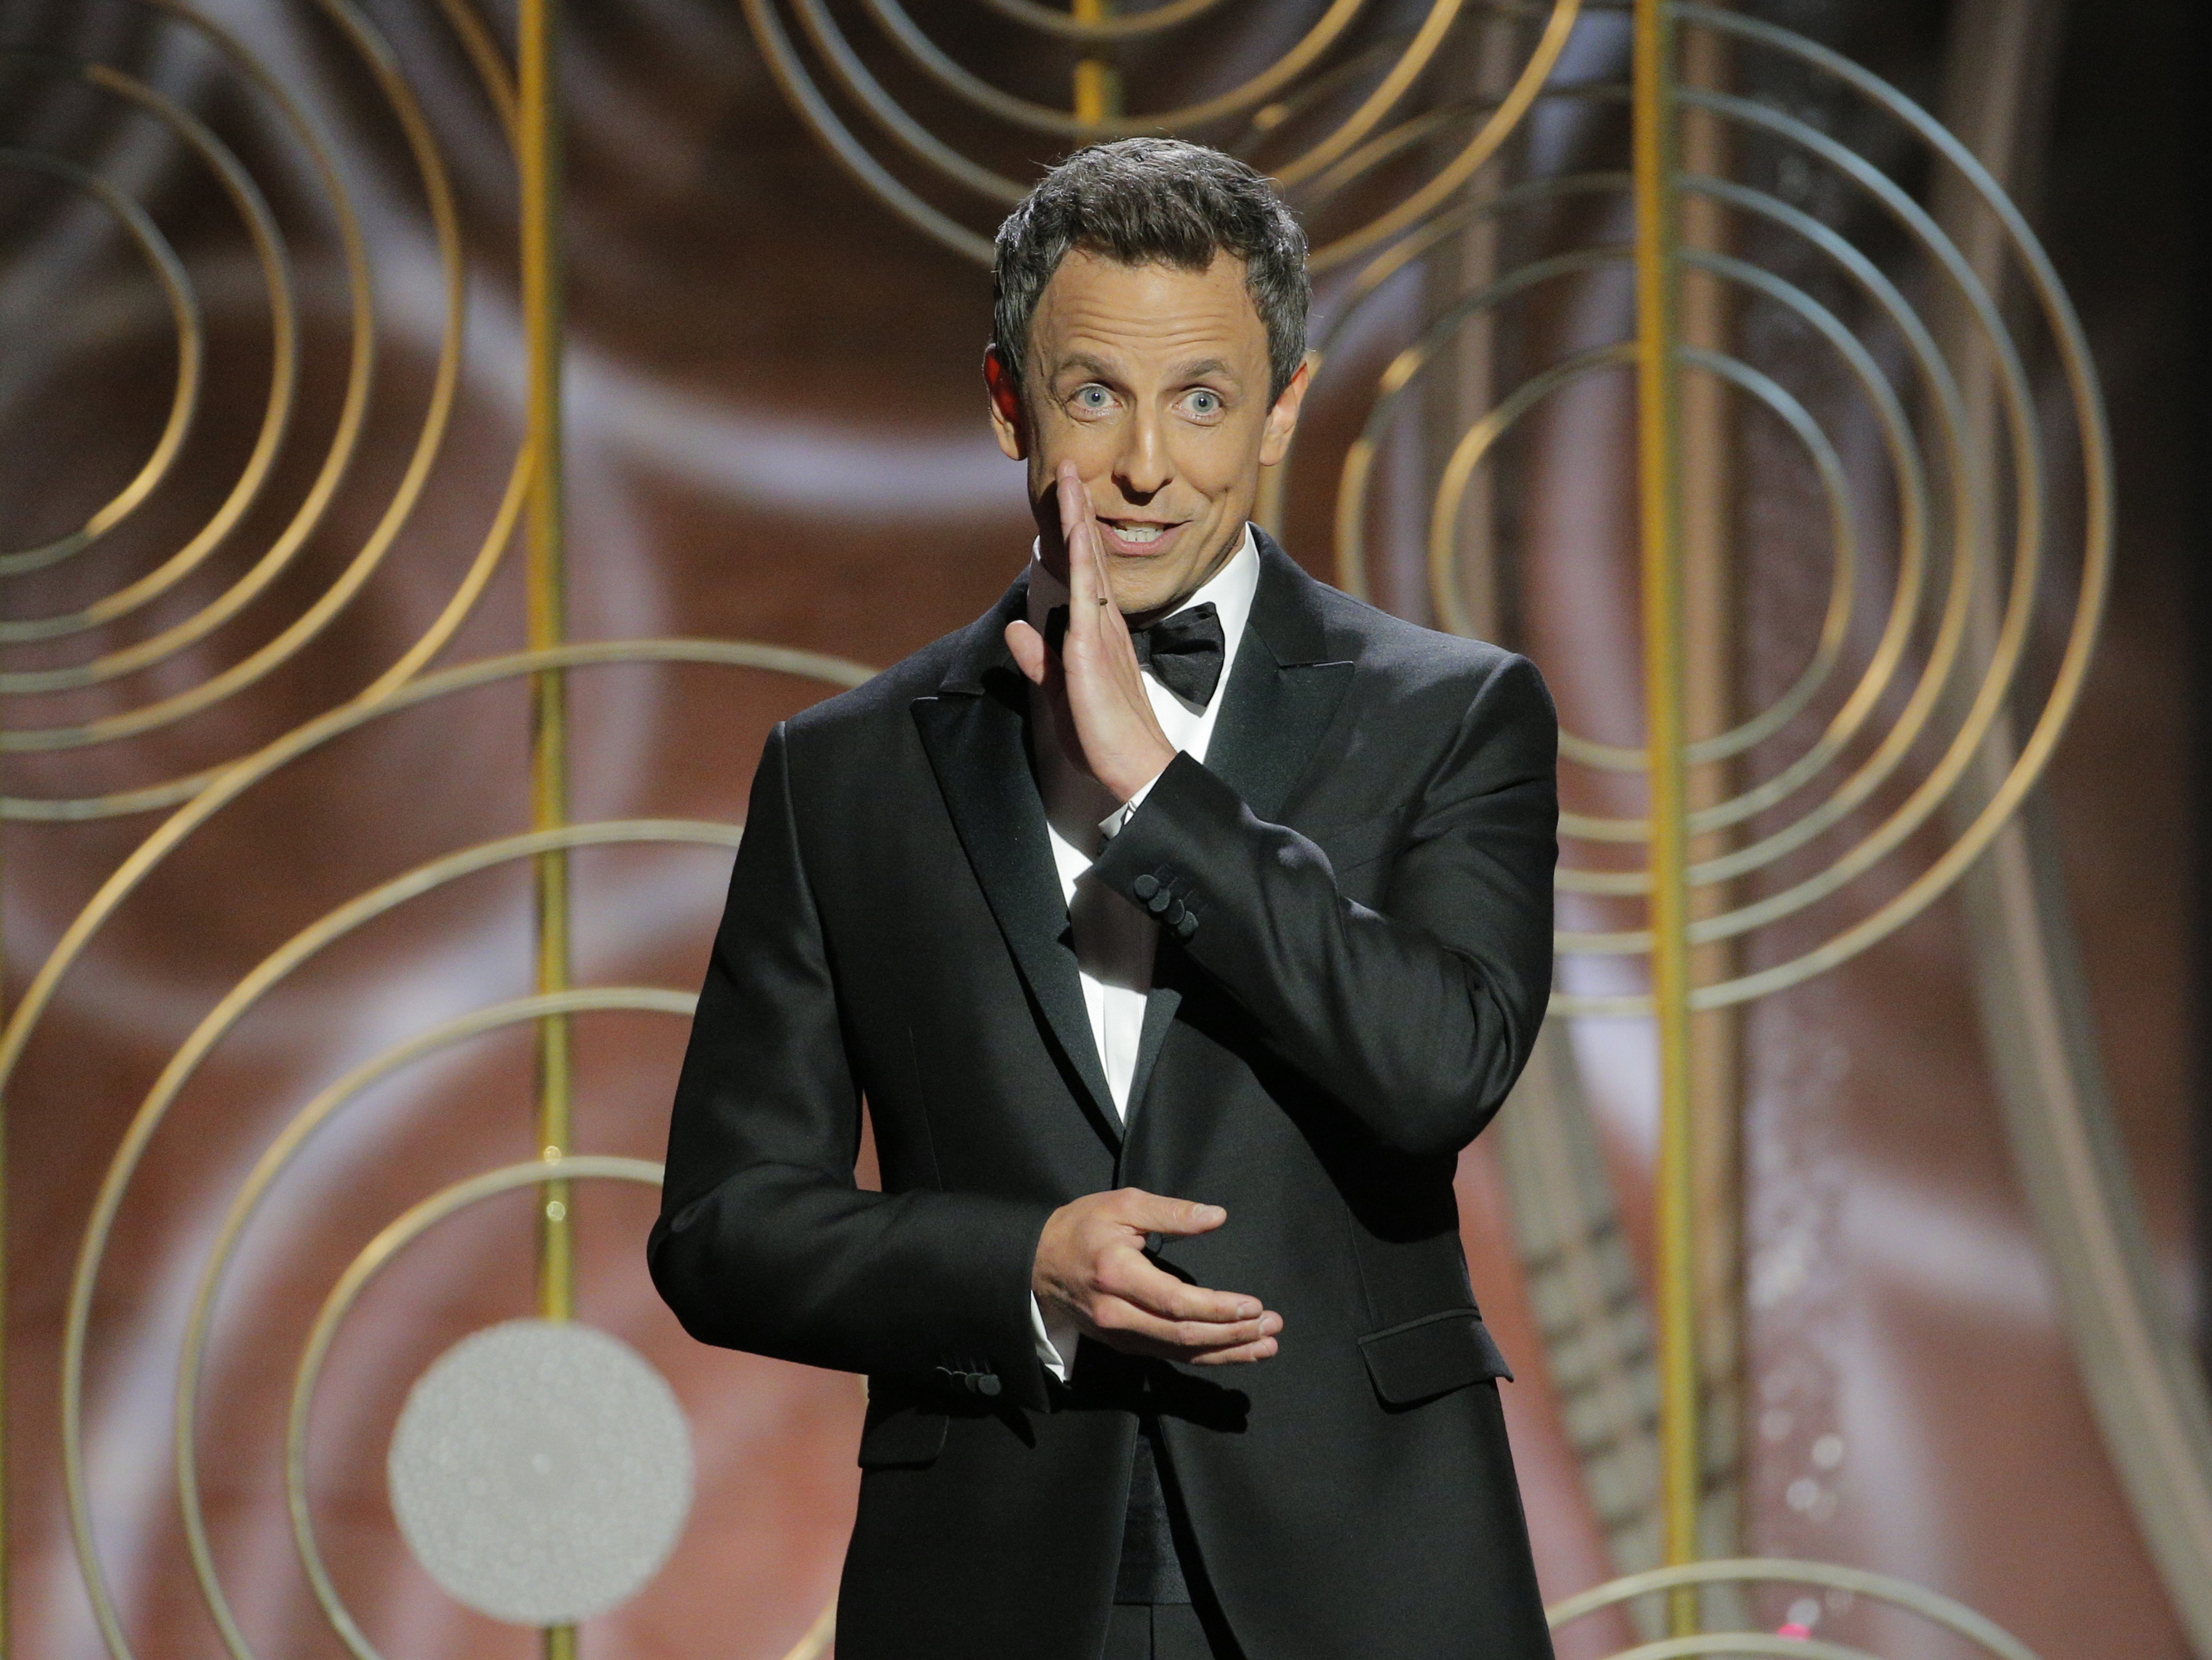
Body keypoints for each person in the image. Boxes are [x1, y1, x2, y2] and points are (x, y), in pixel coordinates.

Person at [649, 138, 1560, 1660]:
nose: (1146, 464)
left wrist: (1157, 792)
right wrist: (1019, 1263)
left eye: (1202, 399)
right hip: (990, 1572)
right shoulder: (846, 769)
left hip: (1365, 1573)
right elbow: (724, 1225)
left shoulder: (1450, 715)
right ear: (1008, 402)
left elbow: (1440, 1068)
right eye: (1093, 395)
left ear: (1281, 407)